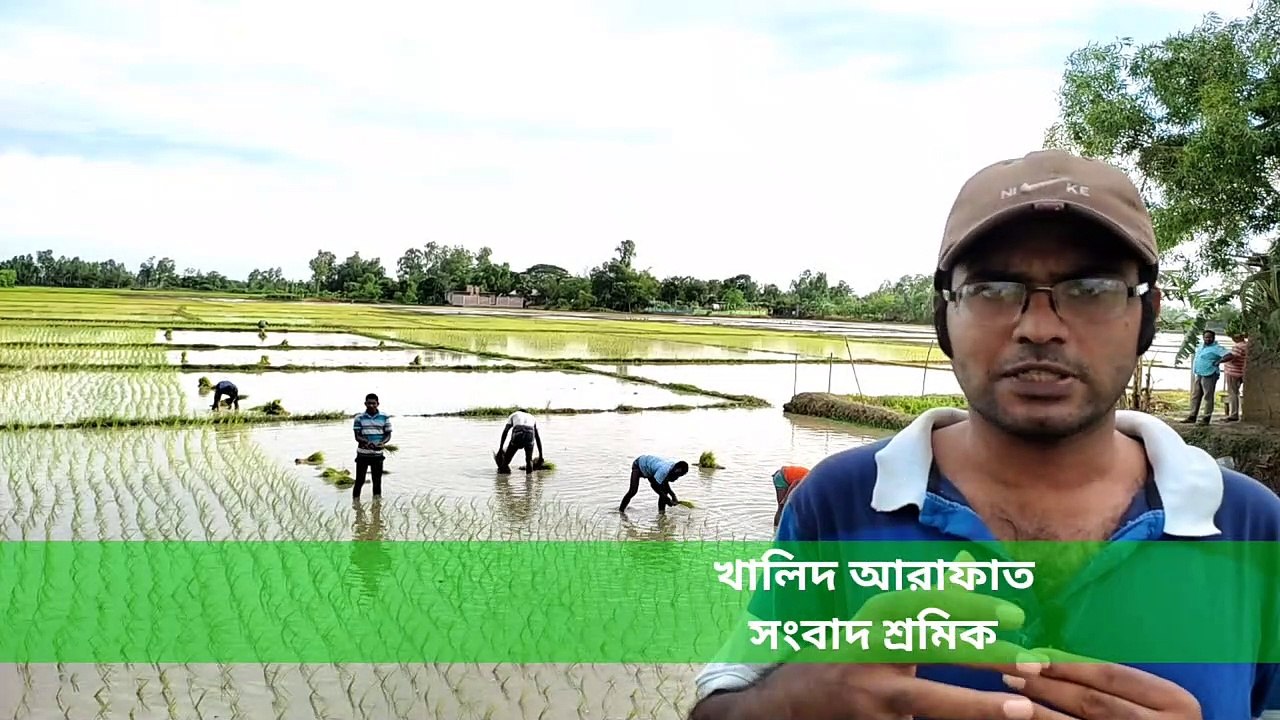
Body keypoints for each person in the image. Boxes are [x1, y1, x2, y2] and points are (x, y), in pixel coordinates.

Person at [689, 149, 1280, 719]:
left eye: (1091, 290)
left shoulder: (1255, 525)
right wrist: (794, 700)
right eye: (993, 290)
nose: (1040, 327)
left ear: (1147, 317)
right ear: (943, 316)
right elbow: (720, 704)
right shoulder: (839, 501)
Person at [1182, 329, 1231, 425]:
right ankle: (1192, 416)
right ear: (1203, 338)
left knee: (1208, 396)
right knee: (1195, 395)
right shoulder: (1200, 346)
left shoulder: (1217, 348)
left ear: (1213, 338)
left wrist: (1218, 362)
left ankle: (1206, 418)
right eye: (1206, 337)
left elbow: (1229, 355)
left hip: (1210, 374)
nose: (1207, 339)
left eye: (1209, 337)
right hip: (1199, 373)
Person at [351, 393, 391, 500]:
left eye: (373, 403)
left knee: (377, 482)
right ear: (365, 404)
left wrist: (382, 443)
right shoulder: (359, 418)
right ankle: (355, 502)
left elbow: (388, 434)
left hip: (377, 455)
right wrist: (367, 442)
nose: (371, 405)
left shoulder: (384, 417)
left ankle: (376, 507)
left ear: (378, 403)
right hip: (362, 454)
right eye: (369, 403)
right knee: (359, 481)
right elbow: (357, 436)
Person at [618, 455, 688, 514]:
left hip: (651, 470)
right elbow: (654, 485)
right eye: (679, 475)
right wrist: (667, 499)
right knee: (633, 491)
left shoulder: (672, 468)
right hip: (639, 465)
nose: (677, 478)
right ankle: (621, 511)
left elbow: (664, 483)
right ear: (677, 470)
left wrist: (673, 495)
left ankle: (661, 513)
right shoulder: (664, 471)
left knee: (664, 492)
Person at [496, 409, 543, 474]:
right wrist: (541, 455)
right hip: (530, 433)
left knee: (506, 460)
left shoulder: (514, 414)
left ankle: (502, 478)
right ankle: (529, 480)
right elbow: (537, 437)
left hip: (518, 432)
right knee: (529, 460)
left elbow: (505, 431)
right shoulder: (532, 417)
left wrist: (500, 448)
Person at [1222, 332, 1250, 422]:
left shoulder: (1238, 346)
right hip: (1242, 372)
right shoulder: (1247, 346)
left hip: (1233, 372)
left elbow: (1232, 357)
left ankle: (1234, 414)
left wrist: (1220, 360)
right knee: (1241, 393)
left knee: (1233, 393)